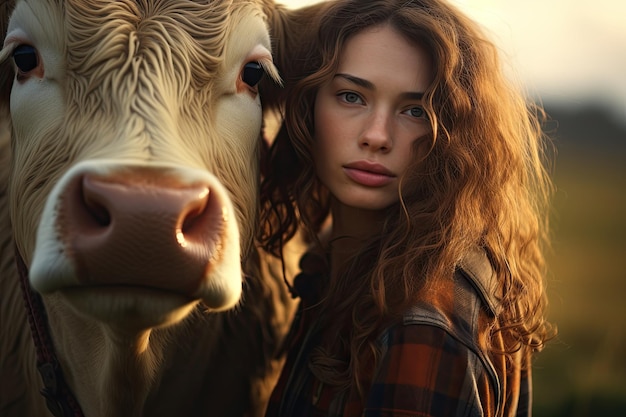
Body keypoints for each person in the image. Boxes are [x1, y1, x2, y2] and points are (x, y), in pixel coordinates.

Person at [259, 0, 555, 415]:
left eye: (416, 110)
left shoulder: (422, 323)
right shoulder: (342, 263)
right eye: (351, 96)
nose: (377, 136)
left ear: (456, 132)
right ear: (307, 106)